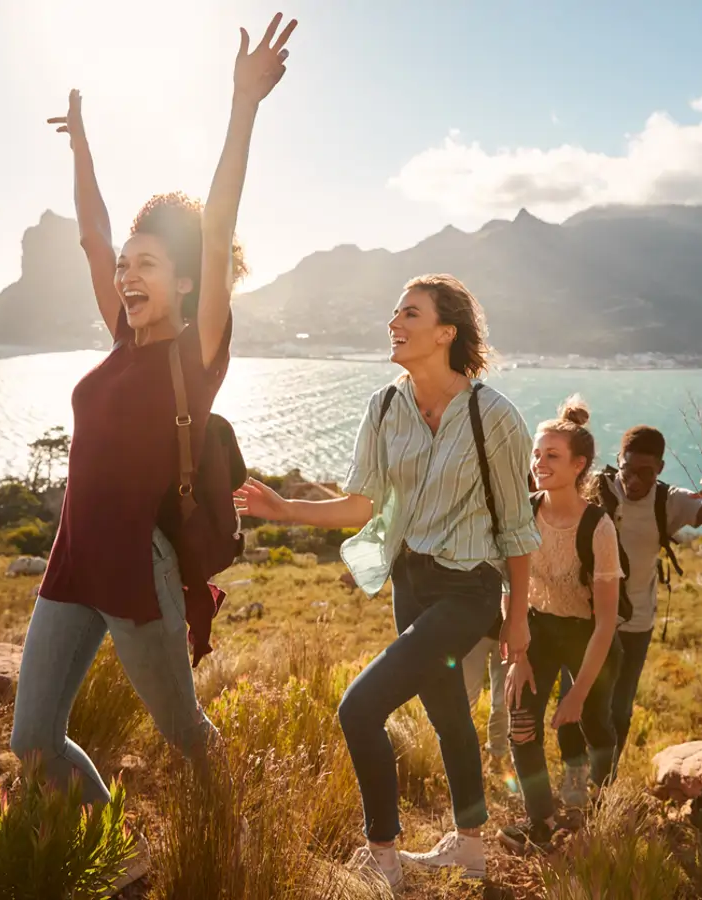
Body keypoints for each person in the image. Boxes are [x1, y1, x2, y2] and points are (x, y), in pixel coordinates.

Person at [9, 14, 297, 891]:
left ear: (181, 280)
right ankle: (114, 850)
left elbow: (219, 229)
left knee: (185, 734)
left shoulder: (194, 353)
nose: (127, 275)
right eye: (125, 267)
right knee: (32, 740)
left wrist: (242, 106)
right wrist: (84, 148)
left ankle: (237, 853)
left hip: (138, 575)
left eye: (147, 264)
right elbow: (93, 233)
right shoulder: (121, 338)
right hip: (70, 565)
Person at [234, 274, 540, 889]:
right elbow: (363, 505)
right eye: (394, 313)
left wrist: (517, 617)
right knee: (449, 714)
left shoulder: (493, 416)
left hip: (468, 589)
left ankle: (384, 854)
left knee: (359, 707)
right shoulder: (384, 406)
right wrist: (288, 509)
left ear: (445, 332)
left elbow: (515, 528)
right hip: (411, 582)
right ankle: (471, 847)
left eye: (409, 313)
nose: (394, 324)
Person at [556, 426, 702, 805]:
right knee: (573, 699)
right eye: (628, 470)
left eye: (646, 473)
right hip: (583, 619)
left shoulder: (670, 501)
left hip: (634, 624)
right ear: (619, 461)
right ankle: (574, 776)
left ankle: (604, 788)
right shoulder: (596, 488)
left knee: (619, 710)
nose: (634, 481)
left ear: (660, 468)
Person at [498, 397, 623, 855]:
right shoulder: (524, 513)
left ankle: (602, 811)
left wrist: (577, 691)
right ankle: (542, 822)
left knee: (593, 722)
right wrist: (519, 656)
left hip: (589, 637)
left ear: (579, 465)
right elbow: (511, 587)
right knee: (522, 724)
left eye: (552, 456)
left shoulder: (599, 527)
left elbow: (607, 621)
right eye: (537, 454)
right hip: (535, 631)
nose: (539, 463)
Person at [462, 635, 509, 762]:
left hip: (509, 633)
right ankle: (460, 756)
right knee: (466, 700)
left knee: (503, 702)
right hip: (476, 630)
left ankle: (496, 758)